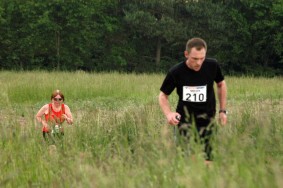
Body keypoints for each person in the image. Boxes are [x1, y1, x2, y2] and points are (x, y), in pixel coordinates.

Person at [158, 37, 227, 163]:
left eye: (202, 58)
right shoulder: (176, 72)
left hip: (208, 120)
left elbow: (221, 84)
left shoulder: (212, 66)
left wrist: (222, 111)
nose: (199, 63)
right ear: (186, 54)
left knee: (208, 162)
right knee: (188, 161)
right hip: (185, 121)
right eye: (195, 58)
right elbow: (163, 96)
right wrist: (169, 114)